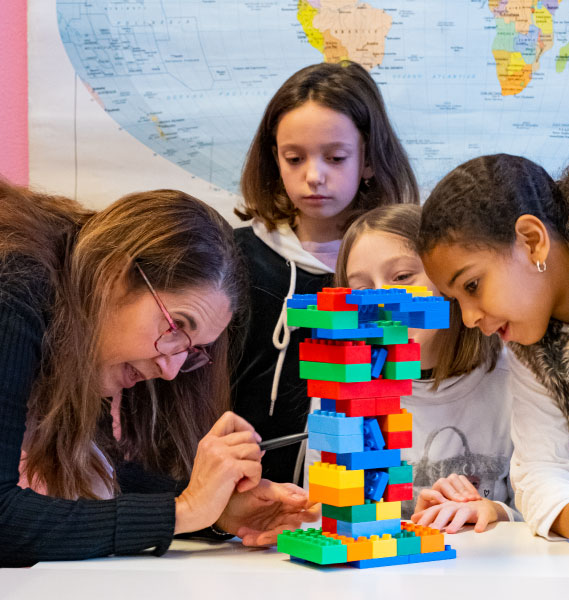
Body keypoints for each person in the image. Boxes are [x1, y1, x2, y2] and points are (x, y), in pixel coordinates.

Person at [0, 181, 316, 568]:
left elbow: (99, 471)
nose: (169, 371)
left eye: (190, 351)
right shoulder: (14, 288)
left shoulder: (77, 318)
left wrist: (215, 510)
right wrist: (182, 511)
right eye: (175, 327)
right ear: (114, 274)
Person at [232, 60, 419, 486]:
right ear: (273, 159)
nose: (314, 177)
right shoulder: (239, 256)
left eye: (336, 157)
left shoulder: (402, 266)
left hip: (366, 492)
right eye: (294, 158)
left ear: (369, 159)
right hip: (249, 497)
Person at [417, 151, 569, 546]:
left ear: (532, 242)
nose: (467, 319)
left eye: (471, 286)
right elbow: (538, 466)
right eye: (456, 301)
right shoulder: (530, 347)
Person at [328, 204, 519, 533]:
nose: (381, 301)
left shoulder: (511, 382)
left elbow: (544, 508)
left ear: (447, 278)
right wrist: (405, 520)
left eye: (402, 277)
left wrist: (495, 511)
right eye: (362, 290)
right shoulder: (343, 388)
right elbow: (326, 514)